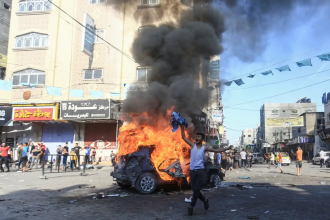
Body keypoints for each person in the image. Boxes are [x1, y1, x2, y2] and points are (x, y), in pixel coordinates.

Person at [180, 125, 233, 216]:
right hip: (192, 170)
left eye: (198, 137)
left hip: (200, 171)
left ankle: (191, 206)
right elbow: (183, 137)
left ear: (202, 139)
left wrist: (227, 148)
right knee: (194, 189)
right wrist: (181, 127)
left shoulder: (205, 148)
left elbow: (216, 150)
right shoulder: (192, 145)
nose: (196, 138)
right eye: (196, 136)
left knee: (197, 189)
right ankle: (205, 200)